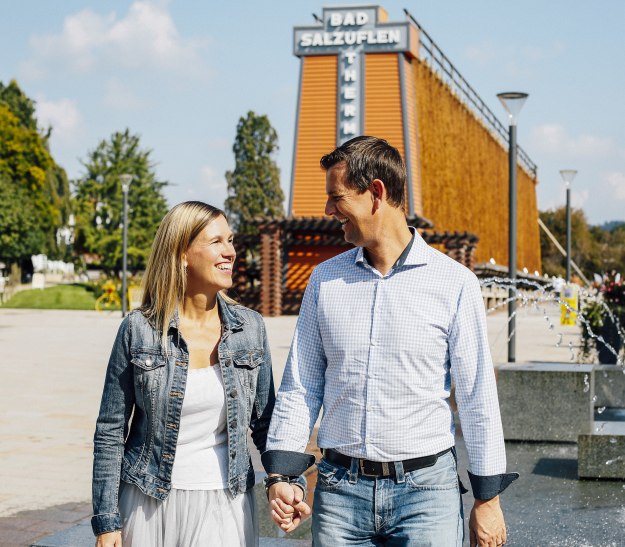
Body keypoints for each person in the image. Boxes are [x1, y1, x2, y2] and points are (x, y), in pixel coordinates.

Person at [261, 137, 518, 547]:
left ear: (376, 193)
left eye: (337, 197)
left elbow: (476, 397)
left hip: (426, 497)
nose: (329, 210)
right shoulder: (325, 280)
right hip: (339, 493)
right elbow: (301, 385)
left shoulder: (454, 283)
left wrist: (488, 499)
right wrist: (283, 473)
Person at [91, 201, 283, 546]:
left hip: (226, 504)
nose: (231, 252)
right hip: (148, 502)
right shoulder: (139, 330)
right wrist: (107, 522)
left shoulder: (250, 329)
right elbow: (110, 431)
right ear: (182, 254)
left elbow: (266, 422)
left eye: (231, 240)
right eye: (217, 242)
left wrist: (283, 480)